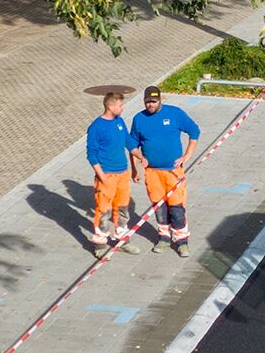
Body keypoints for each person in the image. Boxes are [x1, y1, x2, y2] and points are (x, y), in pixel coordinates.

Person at [129, 85, 201, 255]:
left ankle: (182, 241)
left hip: (173, 172)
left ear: (160, 100)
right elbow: (132, 146)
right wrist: (135, 169)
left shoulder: (175, 113)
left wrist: (186, 156)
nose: (151, 105)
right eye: (148, 102)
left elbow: (194, 131)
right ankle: (164, 238)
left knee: (177, 208)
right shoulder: (139, 119)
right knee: (159, 208)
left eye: (154, 101)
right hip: (153, 173)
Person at [83, 92, 137, 255]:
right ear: (110, 106)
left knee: (122, 208)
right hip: (107, 175)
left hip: (122, 174)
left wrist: (140, 156)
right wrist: (102, 176)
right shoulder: (97, 127)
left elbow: (128, 142)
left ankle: (122, 239)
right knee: (103, 210)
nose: (123, 107)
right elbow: (91, 154)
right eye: (120, 105)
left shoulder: (119, 121)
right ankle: (100, 245)